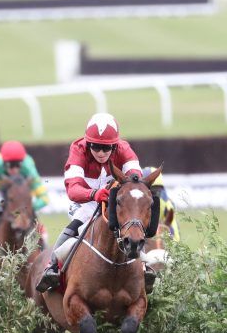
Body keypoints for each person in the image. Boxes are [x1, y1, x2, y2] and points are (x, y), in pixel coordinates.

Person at [34, 112, 154, 293]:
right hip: (85, 201)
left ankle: (144, 266)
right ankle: (52, 267)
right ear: (87, 143)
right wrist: (93, 194)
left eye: (106, 148)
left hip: (113, 199)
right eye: (95, 147)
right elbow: (73, 189)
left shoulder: (124, 149)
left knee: (131, 226)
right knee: (77, 224)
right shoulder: (78, 150)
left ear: (115, 145)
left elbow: (135, 180)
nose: (101, 153)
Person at [142, 166, 180, 242]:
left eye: (157, 190)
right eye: (151, 191)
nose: (154, 194)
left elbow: (173, 229)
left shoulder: (167, 204)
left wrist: (174, 244)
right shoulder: (135, 204)